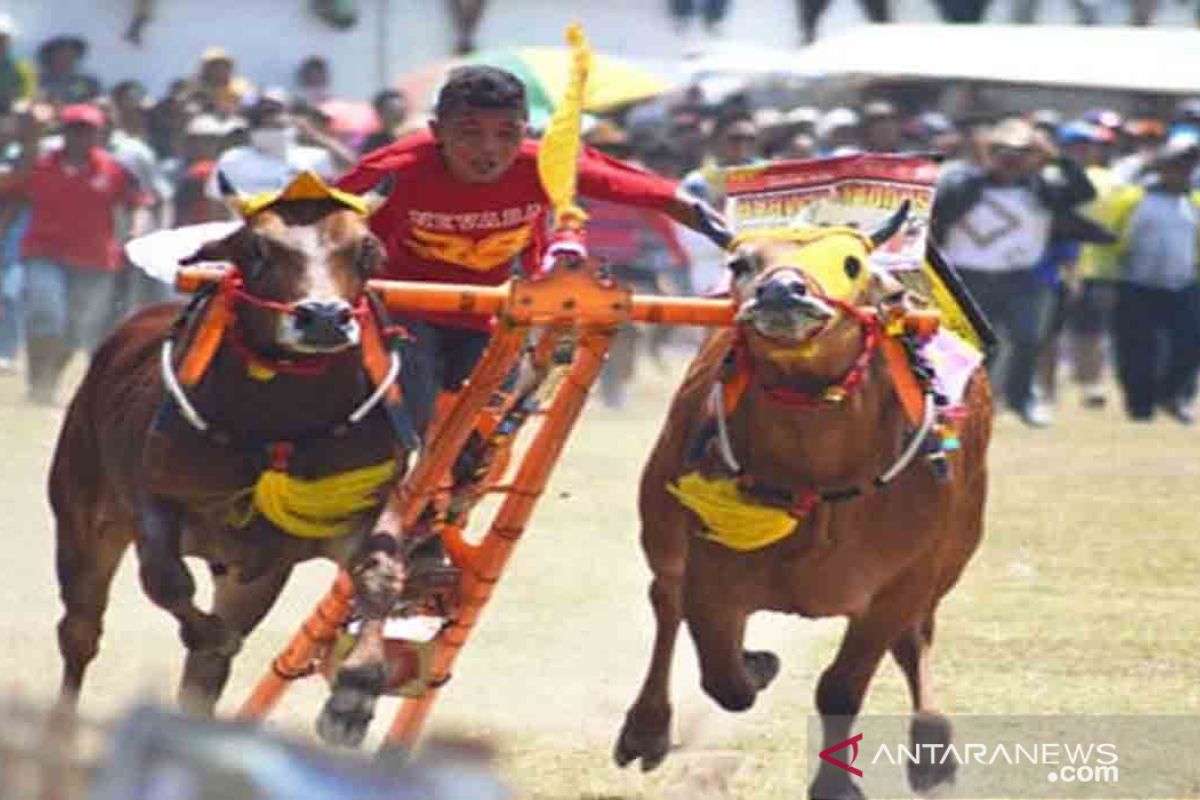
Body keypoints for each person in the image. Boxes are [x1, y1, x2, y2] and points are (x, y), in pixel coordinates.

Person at [336, 65, 729, 435]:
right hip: (403, 309)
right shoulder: (399, 165)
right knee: (413, 407)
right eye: (470, 133)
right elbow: (315, 211)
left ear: (524, 131)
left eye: (507, 134)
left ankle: (450, 495)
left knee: (489, 422)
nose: (489, 149)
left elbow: (664, 196)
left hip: (493, 313)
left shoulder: (545, 163)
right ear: (437, 131)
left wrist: (737, 243)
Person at [932, 117, 1107, 427]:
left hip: (1022, 278)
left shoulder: (1042, 187)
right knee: (974, 347)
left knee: (1028, 338)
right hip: (968, 279)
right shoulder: (962, 182)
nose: (1011, 160)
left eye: (1021, 152)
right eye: (1002, 151)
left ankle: (1021, 399)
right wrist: (985, 169)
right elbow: (940, 210)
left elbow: (1084, 193)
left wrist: (1056, 157)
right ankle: (970, 403)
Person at [2, 104, 150, 403]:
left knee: (76, 328)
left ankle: (49, 381)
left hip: (95, 259)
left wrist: (136, 232)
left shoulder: (114, 169)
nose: (81, 137)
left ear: (98, 134)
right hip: (44, 252)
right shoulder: (41, 166)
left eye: (88, 131)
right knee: (47, 312)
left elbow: (137, 203)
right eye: (75, 130)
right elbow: (12, 194)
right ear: (64, 133)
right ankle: (37, 377)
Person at [1096, 135, 1200, 424]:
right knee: (1137, 348)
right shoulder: (1132, 200)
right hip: (1135, 284)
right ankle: (1140, 406)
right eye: (1176, 165)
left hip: (1183, 284)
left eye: (1188, 166)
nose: (1182, 172)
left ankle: (1172, 395)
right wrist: (1105, 280)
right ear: (1161, 167)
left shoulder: (1195, 203)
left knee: (1190, 344)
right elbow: (1107, 241)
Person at [206, 91, 336, 199]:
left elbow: (350, 169)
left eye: (276, 113)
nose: (271, 118)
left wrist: (315, 135)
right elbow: (217, 201)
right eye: (264, 118)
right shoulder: (232, 159)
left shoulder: (315, 156)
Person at [37, 35, 101, 106]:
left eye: (71, 53)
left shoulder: (89, 83)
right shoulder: (38, 81)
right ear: (49, 56)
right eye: (61, 52)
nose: (66, 57)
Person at [0, 15, 35, 114]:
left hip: (12, 117)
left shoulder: (23, 68)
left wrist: (17, 107)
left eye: (2, 39)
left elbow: (28, 98)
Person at [360, 89, 412, 154]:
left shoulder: (416, 135)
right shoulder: (374, 143)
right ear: (379, 113)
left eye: (402, 110)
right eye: (392, 112)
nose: (399, 116)